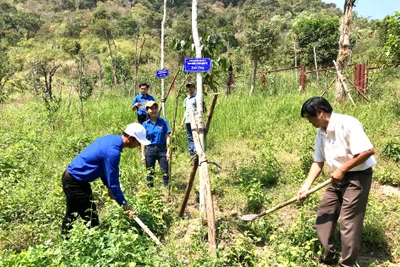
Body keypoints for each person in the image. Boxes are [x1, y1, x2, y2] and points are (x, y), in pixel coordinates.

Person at [297, 97, 376, 267]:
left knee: (348, 222)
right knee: (324, 213)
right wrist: (306, 186)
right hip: (337, 178)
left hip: (358, 177)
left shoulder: (348, 123)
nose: (309, 121)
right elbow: (318, 162)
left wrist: (342, 169)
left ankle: (346, 264)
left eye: (309, 117)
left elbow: (368, 151)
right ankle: (329, 257)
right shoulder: (321, 132)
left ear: (320, 112)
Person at [61, 123, 151, 235]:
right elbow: (114, 184)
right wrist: (125, 206)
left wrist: (108, 187)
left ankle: (65, 238)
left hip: (75, 179)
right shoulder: (113, 152)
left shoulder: (110, 139)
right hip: (74, 182)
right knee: (91, 219)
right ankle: (86, 244)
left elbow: (103, 169)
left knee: (72, 213)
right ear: (130, 138)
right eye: (138, 142)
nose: (139, 145)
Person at [141, 101, 171, 187]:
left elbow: (167, 136)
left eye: (155, 108)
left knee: (165, 171)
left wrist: (168, 151)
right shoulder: (145, 124)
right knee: (150, 172)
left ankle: (167, 189)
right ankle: (150, 191)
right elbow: (143, 140)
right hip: (150, 149)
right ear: (147, 111)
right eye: (151, 109)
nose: (154, 110)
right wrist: (143, 155)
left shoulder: (163, 122)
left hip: (162, 149)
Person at [180, 82, 197, 156]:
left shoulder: (197, 97)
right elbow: (185, 111)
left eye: (191, 87)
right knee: (189, 136)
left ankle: (196, 151)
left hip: (195, 120)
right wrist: (182, 122)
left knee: (196, 135)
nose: (190, 88)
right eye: (189, 87)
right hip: (188, 120)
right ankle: (191, 151)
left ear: (194, 88)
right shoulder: (186, 99)